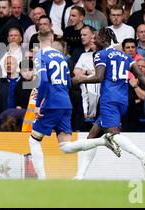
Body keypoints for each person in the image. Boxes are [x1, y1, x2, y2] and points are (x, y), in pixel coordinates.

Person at [29, 27, 115, 181]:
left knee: (34, 139)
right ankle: (102, 141)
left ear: (38, 40)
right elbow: (69, 82)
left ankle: (41, 180)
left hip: (51, 103)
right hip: (65, 102)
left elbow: (43, 81)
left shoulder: (40, 55)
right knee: (66, 147)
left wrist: (37, 105)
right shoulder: (61, 57)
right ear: (52, 39)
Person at [72, 27, 145, 180]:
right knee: (92, 137)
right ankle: (80, 175)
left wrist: (80, 79)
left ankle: (142, 156)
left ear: (103, 39)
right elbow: (142, 77)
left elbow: (99, 76)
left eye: (95, 37)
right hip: (122, 100)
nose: (92, 40)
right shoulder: (126, 57)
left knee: (113, 135)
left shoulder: (100, 54)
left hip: (109, 98)